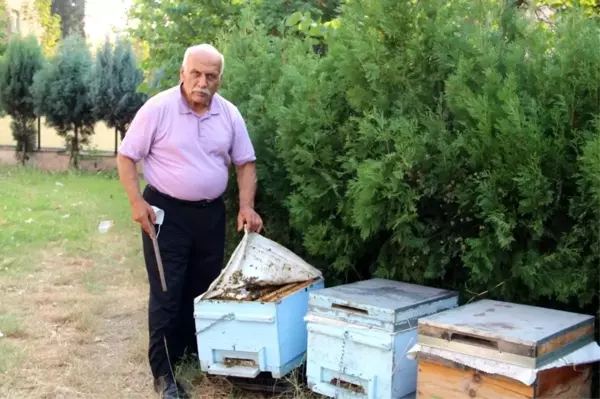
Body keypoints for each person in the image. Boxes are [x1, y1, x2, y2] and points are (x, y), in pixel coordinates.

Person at [116, 43, 263, 399]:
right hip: (165, 213)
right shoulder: (159, 108)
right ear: (183, 73)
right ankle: (164, 375)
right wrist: (136, 202)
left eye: (210, 76)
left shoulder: (228, 114)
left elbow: (244, 163)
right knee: (168, 292)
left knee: (202, 288)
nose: (202, 82)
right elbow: (126, 156)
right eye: (195, 73)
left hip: (211, 214)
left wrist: (246, 206)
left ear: (219, 79)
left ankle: (193, 354)